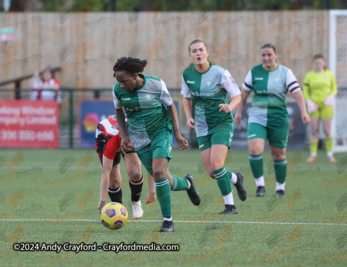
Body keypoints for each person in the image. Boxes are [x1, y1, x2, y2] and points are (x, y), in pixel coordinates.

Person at [113, 57, 201, 232]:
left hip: (161, 131)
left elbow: (170, 107)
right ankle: (188, 183)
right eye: (118, 82)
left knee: (159, 172)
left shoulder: (156, 84)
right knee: (165, 181)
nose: (121, 85)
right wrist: (124, 135)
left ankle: (168, 221)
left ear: (134, 75)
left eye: (123, 81)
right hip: (139, 138)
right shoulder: (118, 90)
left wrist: (177, 134)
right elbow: (118, 111)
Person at [234, 43, 310, 197]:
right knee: (255, 150)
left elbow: (298, 94)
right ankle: (260, 185)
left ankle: (280, 187)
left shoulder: (285, 72)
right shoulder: (254, 72)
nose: (266, 58)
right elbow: (243, 94)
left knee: (279, 155)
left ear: (276, 55)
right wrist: (238, 113)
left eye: (269, 54)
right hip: (257, 117)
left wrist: (304, 112)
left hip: (279, 118)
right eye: (263, 55)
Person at [181, 39, 247, 215]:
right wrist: (188, 117)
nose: (198, 53)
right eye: (194, 51)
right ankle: (236, 178)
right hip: (202, 125)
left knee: (217, 166)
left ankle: (230, 206)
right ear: (190, 55)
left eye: (201, 50)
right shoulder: (187, 74)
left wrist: (230, 107)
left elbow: (237, 96)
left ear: (207, 52)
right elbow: (186, 98)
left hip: (221, 122)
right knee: (211, 172)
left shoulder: (220, 73)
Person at [95, 115, 157, 219]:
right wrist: (102, 201)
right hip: (104, 138)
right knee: (113, 182)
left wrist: (152, 191)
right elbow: (106, 172)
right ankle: (119, 209)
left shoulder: (142, 135)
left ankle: (136, 201)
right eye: (130, 145)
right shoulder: (112, 139)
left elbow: (151, 165)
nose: (132, 147)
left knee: (135, 173)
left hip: (125, 136)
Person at [303, 54, 338, 163]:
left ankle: (330, 155)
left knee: (327, 130)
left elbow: (334, 88)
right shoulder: (309, 75)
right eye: (316, 62)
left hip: (326, 106)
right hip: (314, 106)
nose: (318, 64)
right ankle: (313, 155)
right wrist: (309, 101)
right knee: (314, 131)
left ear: (323, 63)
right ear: (314, 63)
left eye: (320, 62)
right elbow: (305, 90)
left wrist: (331, 97)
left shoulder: (329, 74)